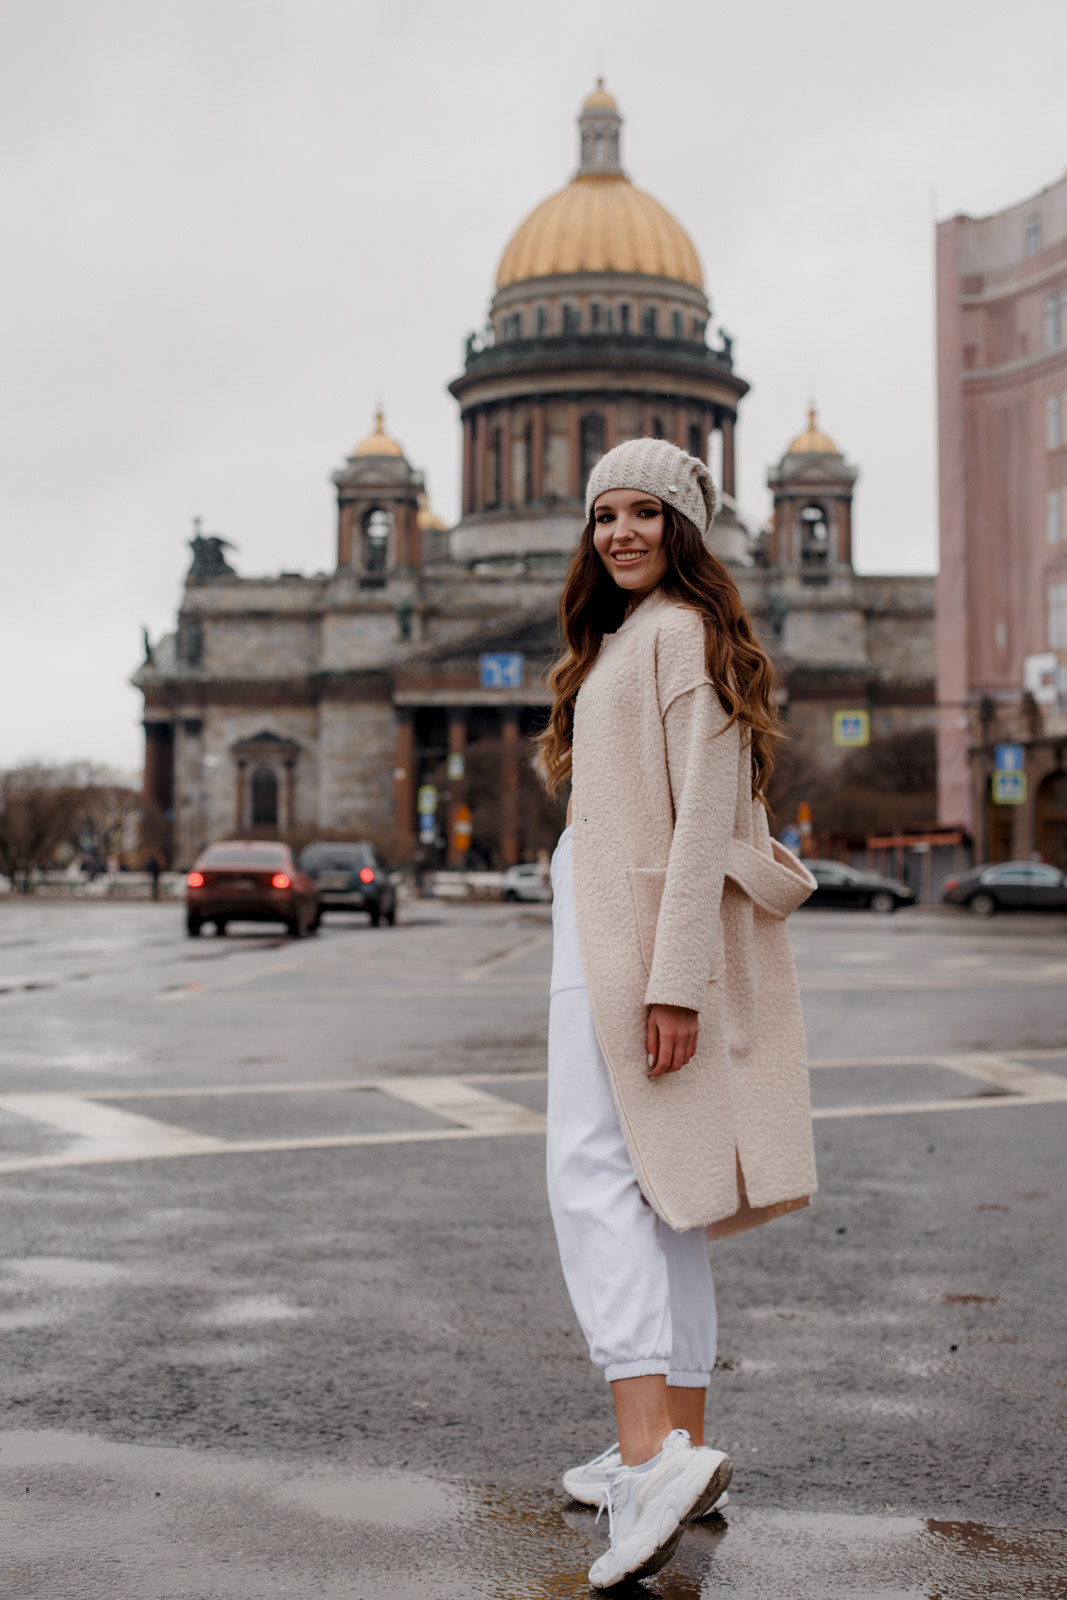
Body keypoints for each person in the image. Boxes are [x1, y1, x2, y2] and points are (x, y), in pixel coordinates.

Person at [536, 438, 818, 1589]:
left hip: (628, 949)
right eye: (604, 514)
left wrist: (673, 982)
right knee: (668, 1190)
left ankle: (649, 1454)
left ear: (684, 526)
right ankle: (677, 1443)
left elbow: (705, 818)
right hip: (610, 935)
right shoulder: (628, 638)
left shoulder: (677, 636)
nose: (620, 533)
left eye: (645, 512)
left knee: (591, 1175)